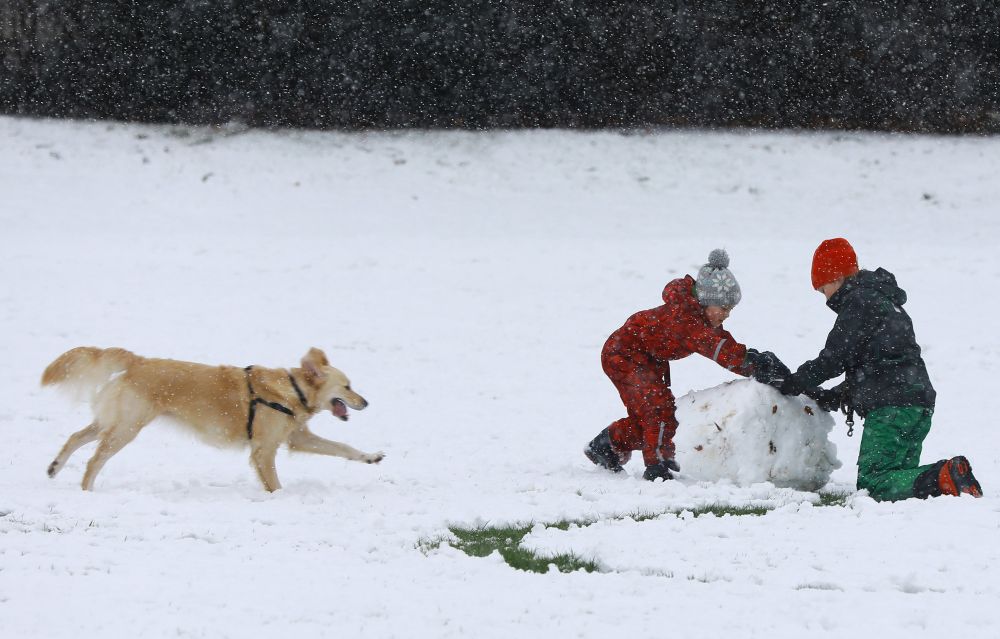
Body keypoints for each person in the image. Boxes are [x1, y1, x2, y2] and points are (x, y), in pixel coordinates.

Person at [773, 238, 982, 501]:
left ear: (834, 277)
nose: (823, 297)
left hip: (891, 411)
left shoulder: (859, 303)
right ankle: (953, 481)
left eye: (822, 288)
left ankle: (946, 475)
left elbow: (834, 359)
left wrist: (793, 382)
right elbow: (878, 365)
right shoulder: (883, 302)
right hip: (917, 405)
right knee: (900, 482)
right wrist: (834, 396)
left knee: (874, 483)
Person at [584, 249, 786, 481]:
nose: (727, 315)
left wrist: (754, 357)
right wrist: (752, 365)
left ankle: (608, 444)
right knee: (657, 409)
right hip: (623, 355)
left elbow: (722, 343)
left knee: (659, 419)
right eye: (725, 308)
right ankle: (657, 467)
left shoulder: (699, 316)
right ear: (707, 302)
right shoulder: (687, 321)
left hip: (644, 360)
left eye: (731, 310)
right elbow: (720, 351)